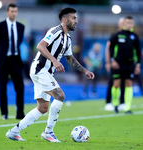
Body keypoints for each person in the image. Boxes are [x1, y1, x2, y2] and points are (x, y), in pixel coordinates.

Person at [5, 7, 94, 143]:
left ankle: (14, 132)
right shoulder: (55, 31)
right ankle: (48, 132)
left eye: (76, 18)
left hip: (46, 72)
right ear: (65, 20)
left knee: (43, 108)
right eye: (73, 18)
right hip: (40, 69)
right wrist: (54, 60)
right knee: (60, 95)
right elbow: (41, 46)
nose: (76, 21)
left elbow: (70, 58)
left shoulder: (68, 39)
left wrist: (85, 71)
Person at [0, 3, 25, 120]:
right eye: (12, 11)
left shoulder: (21, 27)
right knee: (2, 88)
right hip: (3, 61)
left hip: (16, 60)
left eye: (15, 11)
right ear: (7, 12)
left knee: (20, 87)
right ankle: (4, 113)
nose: (14, 13)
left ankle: (20, 113)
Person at [109, 16, 141, 114]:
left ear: (133, 24)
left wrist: (138, 65)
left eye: (131, 23)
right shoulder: (117, 35)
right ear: (124, 24)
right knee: (116, 84)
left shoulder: (134, 36)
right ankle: (115, 104)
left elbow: (139, 51)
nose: (129, 25)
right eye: (127, 23)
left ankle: (127, 107)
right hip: (118, 64)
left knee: (129, 84)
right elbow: (111, 47)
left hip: (130, 64)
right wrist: (112, 60)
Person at [104, 18, 126, 111]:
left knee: (123, 83)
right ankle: (109, 102)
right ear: (119, 25)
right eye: (123, 23)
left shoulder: (128, 36)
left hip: (124, 64)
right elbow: (108, 48)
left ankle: (122, 102)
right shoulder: (115, 36)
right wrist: (108, 62)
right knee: (112, 82)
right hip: (114, 63)